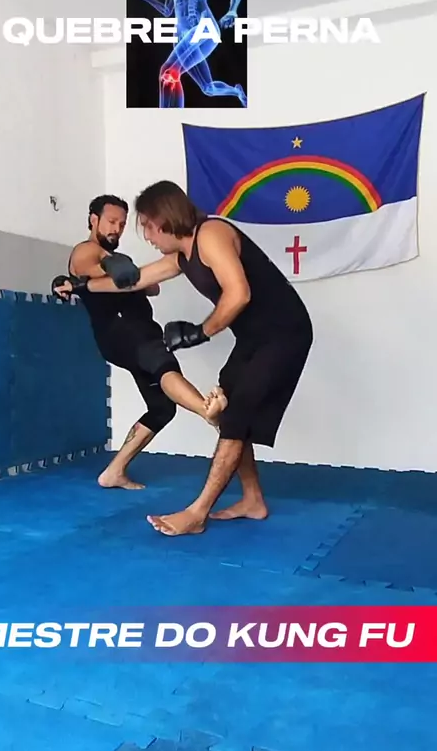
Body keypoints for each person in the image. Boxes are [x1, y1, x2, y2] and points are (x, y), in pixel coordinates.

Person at [61, 182, 313, 535]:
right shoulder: (181, 256)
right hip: (254, 338)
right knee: (228, 412)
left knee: (236, 415)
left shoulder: (211, 234)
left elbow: (238, 293)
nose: (146, 236)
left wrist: (201, 332)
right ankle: (252, 500)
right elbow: (135, 280)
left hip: (285, 333)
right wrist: (80, 286)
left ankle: (197, 513)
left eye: (147, 226)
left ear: (163, 219)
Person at [52, 193, 226, 490]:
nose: (116, 229)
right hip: (124, 331)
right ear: (93, 220)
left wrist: (131, 276)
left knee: (162, 408)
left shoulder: (115, 258)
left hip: (131, 334)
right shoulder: (87, 249)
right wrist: (106, 272)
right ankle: (206, 411)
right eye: (111, 222)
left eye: (121, 224)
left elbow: (150, 286)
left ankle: (114, 472)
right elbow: (85, 267)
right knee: (162, 361)